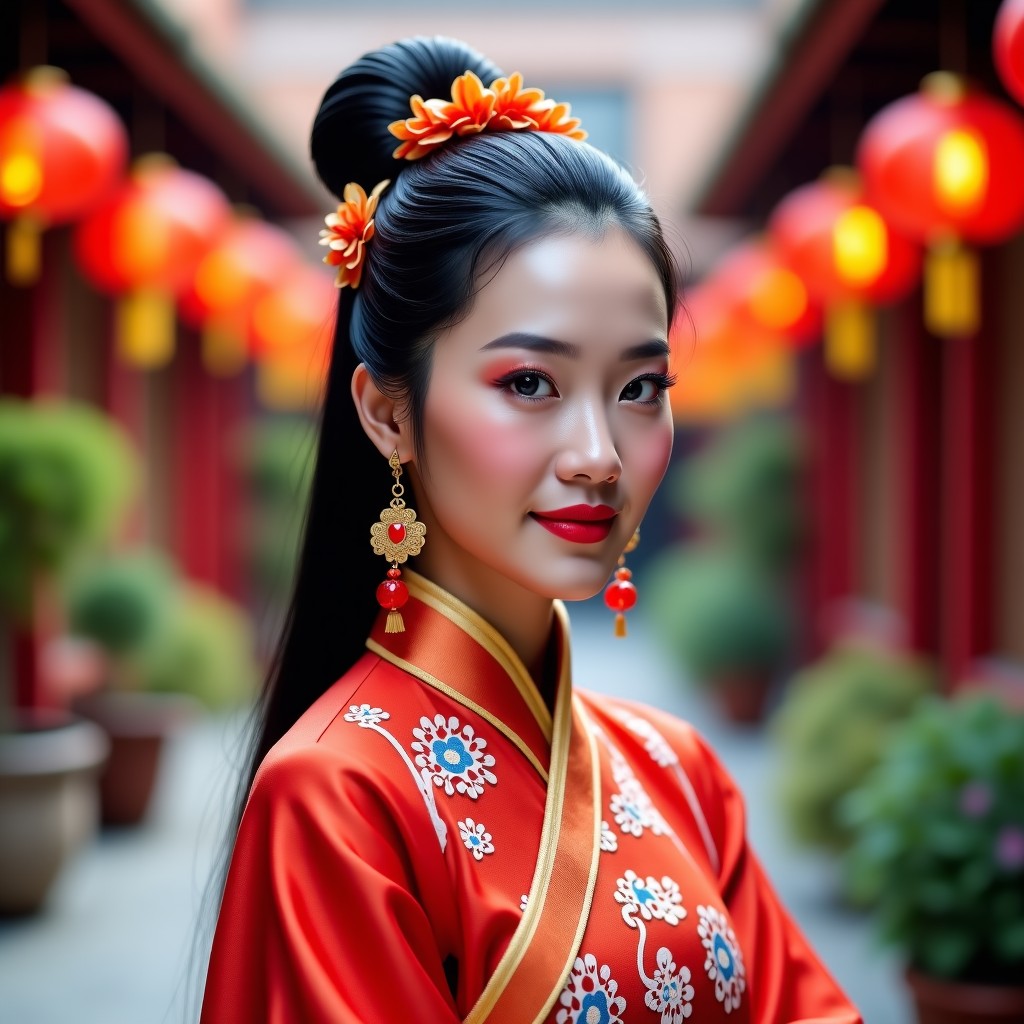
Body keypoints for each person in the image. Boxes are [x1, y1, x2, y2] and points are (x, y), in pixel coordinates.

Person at [201, 36, 862, 1024]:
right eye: (528, 384)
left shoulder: (676, 767)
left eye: (640, 387)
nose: (599, 452)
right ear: (387, 411)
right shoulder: (335, 798)